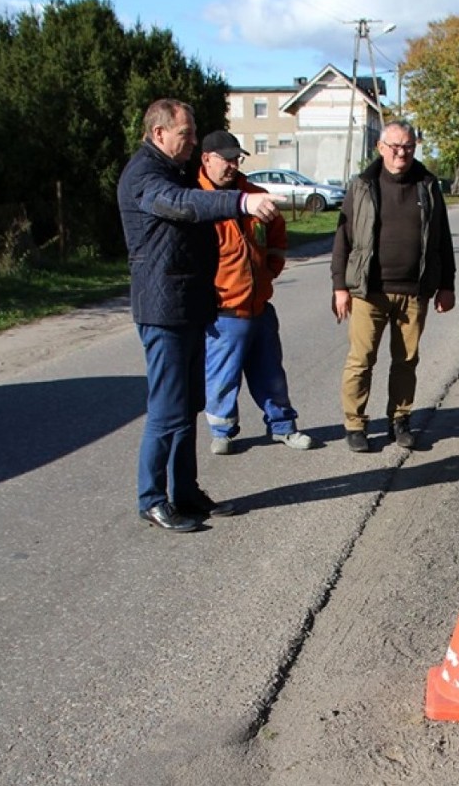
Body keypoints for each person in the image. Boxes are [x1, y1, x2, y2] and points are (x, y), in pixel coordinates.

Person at [118, 99, 279, 532]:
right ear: (158, 134)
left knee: (189, 405)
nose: (193, 141)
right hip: (164, 310)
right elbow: (182, 204)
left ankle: (185, 493)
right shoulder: (146, 176)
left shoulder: (174, 169)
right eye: (186, 134)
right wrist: (241, 204)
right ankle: (152, 499)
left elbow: (196, 195)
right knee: (168, 410)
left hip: (190, 307)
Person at [331, 119, 456, 452]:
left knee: (406, 361)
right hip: (368, 291)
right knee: (361, 359)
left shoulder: (428, 185)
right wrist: (339, 286)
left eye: (409, 147)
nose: (402, 153)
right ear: (381, 148)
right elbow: (343, 238)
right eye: (396, 146)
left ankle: (399, 420)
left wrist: (447, 284)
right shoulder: (361, 185)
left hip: (414, 291)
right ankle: (355, 424)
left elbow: (442, 238)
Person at [198, 130, 315, 456]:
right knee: (222, 378)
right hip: (223, 310)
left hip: (260, 305)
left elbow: (277, 233)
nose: (233, 165)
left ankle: (283, 427)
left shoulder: (255, 195)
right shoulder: (197, 201)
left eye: (237, 158)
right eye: (226, 159)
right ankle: (222, 431)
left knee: (271, 373)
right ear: (207, 158)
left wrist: (272, 268)